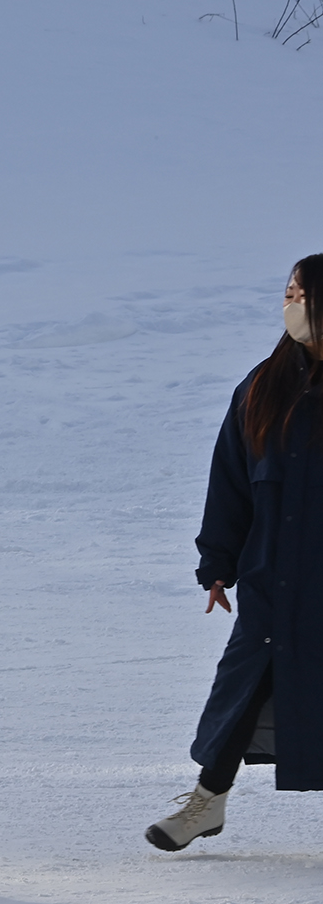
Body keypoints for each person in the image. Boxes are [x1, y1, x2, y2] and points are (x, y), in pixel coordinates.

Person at [147, 254, 323, 851]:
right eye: (288, 293)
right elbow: (230, 480)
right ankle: (207, 802)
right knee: (246, 687)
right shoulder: (263, 385)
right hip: (273, 576)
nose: (291, 304)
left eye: (301, 294)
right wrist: (217, 563)